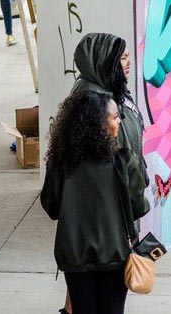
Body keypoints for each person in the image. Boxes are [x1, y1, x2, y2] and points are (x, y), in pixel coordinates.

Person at [56, 32, 150, 314]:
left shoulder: (110, 92)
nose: (127, 63)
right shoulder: (93, 101)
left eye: (127, 57)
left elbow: (52, 199)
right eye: (122, 58)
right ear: (103, 61)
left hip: (78, 244)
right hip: (112, 239)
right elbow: (133, 197)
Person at [41, 89, 148, 314]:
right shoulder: (123, 161)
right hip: (114, 255)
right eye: (115, 117)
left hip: (74, 255)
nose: (119, 122)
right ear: (99, 124)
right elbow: (139, 207)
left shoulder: (61, 163)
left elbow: (51, 207)